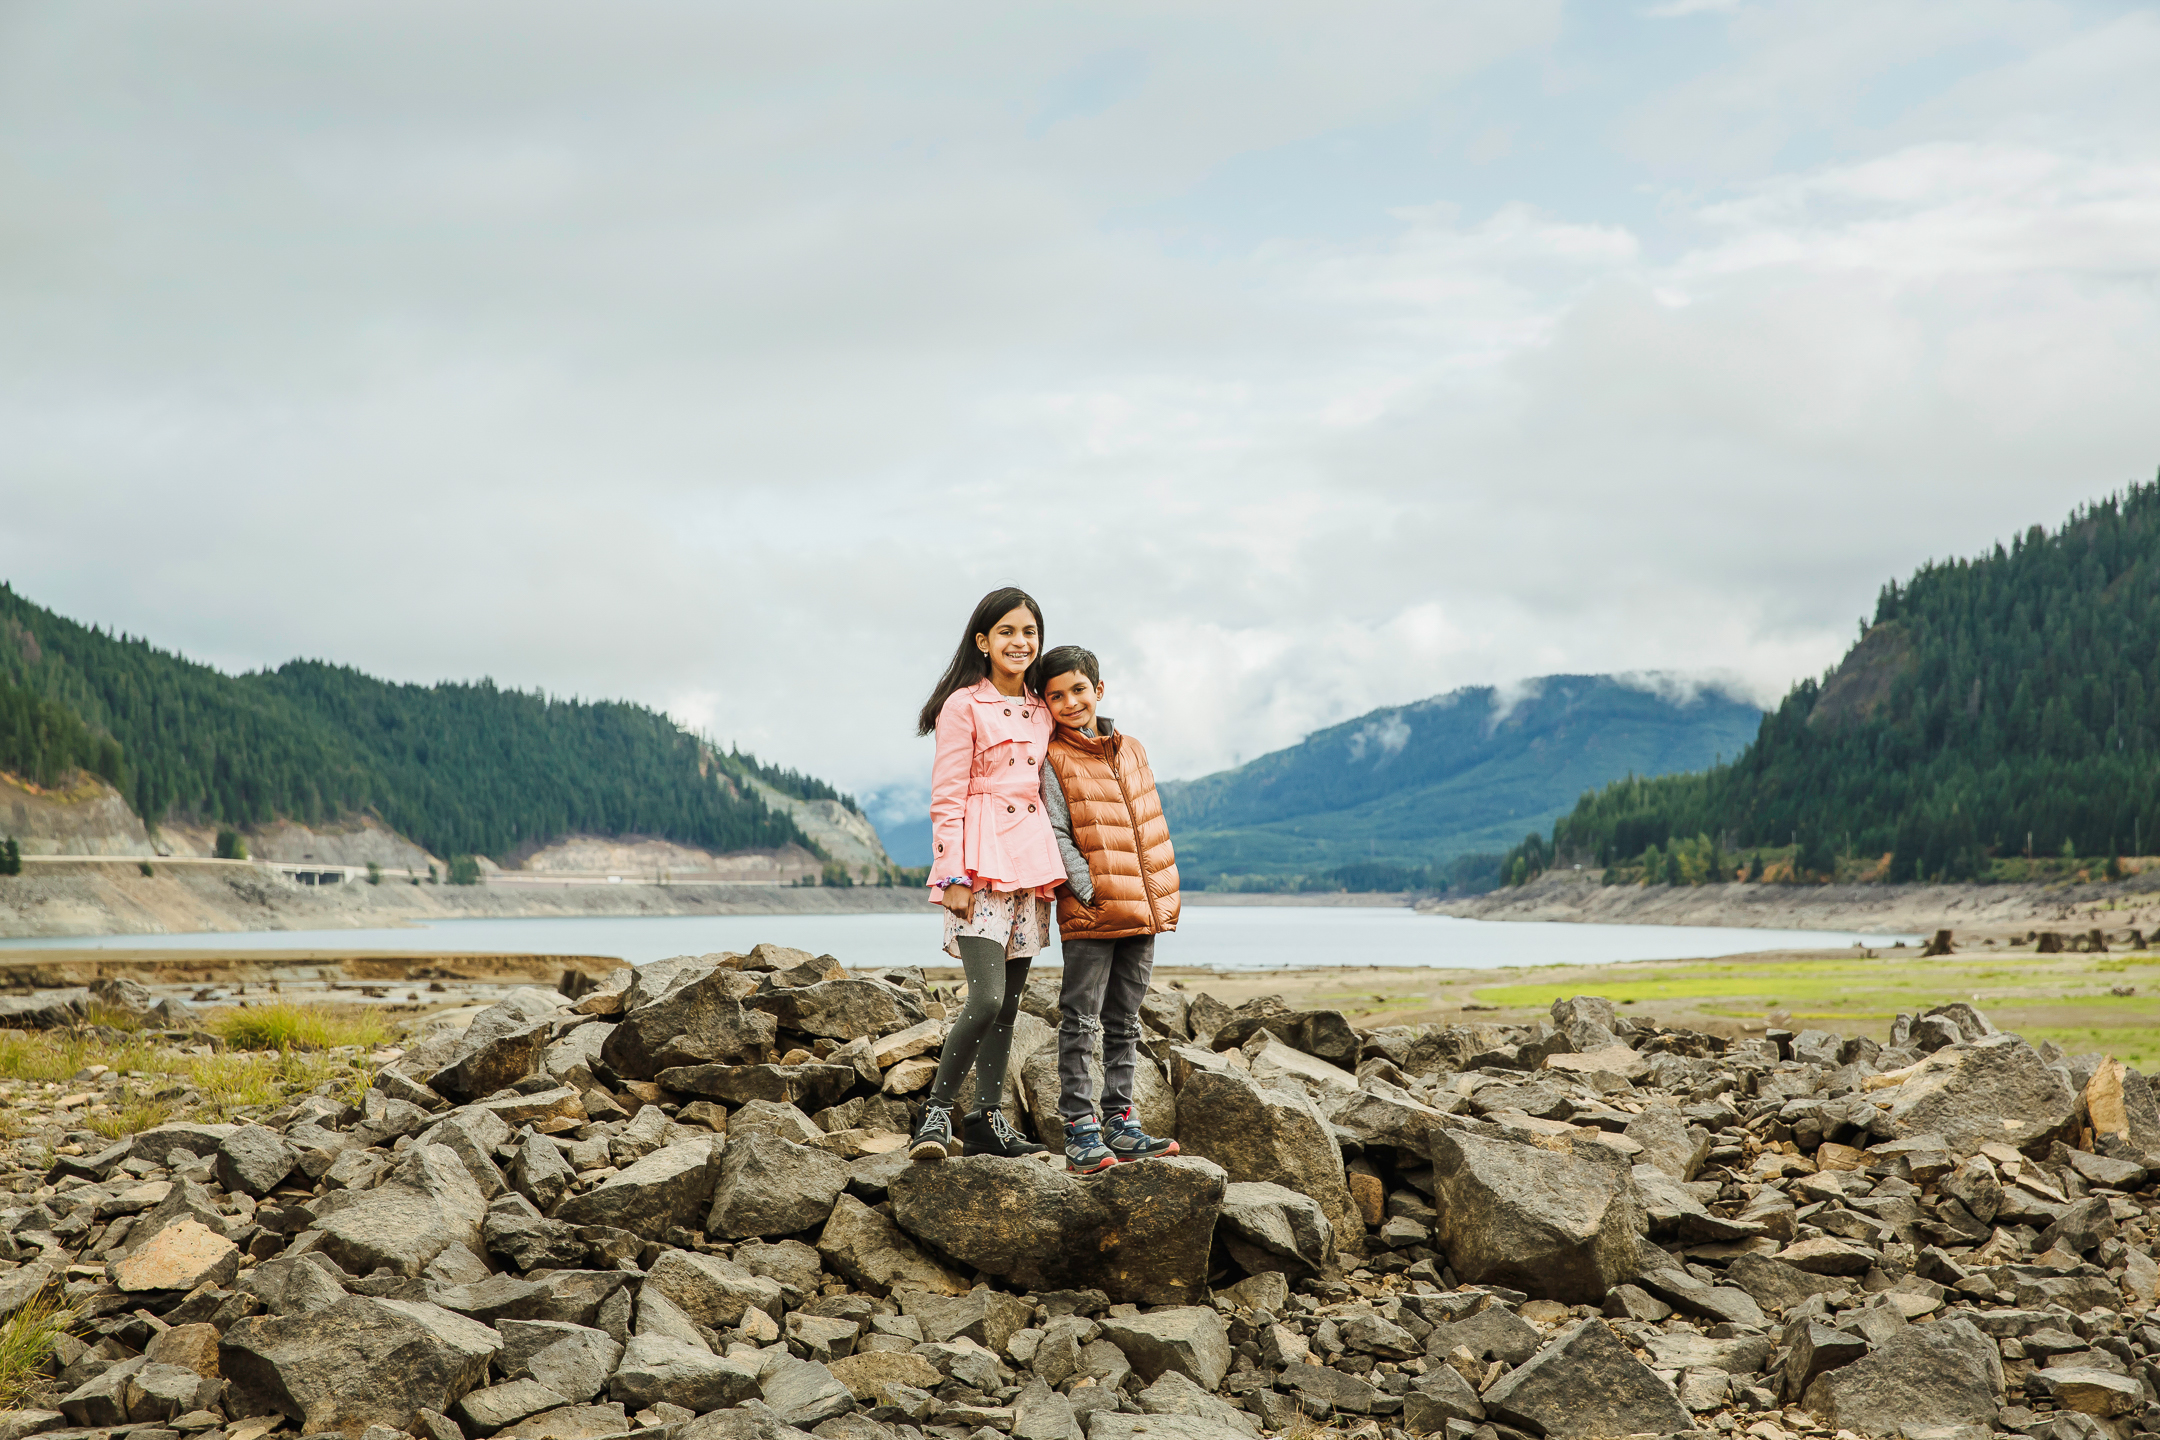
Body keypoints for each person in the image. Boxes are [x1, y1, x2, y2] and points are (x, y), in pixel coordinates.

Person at [908, 587, 1064, 1162]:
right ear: (983, 641)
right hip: (978, 861)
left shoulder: (1041, 708)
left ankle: (986, 1120)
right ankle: (935, 1115)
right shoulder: (962, 706)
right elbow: (945, 795)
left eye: (1029, 632)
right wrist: (950, 873)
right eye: (1007, 632)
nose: (1020, 642)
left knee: (1012, 1003)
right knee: (987, 999)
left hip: (1031, 862)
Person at [1036, 644, 1181, 1173]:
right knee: (1081, 1020)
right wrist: (1091, 890)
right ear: (1045, 703)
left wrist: (1157, 891)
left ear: (1099, 689)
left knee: (1125, 1021)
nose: (1070, 701)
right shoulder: (1053, 757)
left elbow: (1148, 823)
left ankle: (1121, 1122)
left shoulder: (1132, 749)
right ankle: (1079, 1129)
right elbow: (1054, 832)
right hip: (1093, 911)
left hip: (1142, 909)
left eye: (1078, 689)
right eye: (1056, 696)